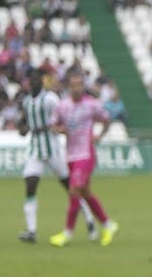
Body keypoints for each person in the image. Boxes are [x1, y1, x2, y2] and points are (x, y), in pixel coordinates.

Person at [17, 68, 96, 243]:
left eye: (39, 78)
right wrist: (23, 128)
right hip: (36, 149)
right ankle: (31, 231)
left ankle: (89, 219)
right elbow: (24, 122)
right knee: (30, 184)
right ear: (30, 81)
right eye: (33, 79)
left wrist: (63, 130)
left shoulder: (50, 99)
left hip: (53, 149)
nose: (36, 82)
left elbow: (64, 115)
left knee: (71, 188)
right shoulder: (27, 101)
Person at [47, 70, 120, 247]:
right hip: (71, 154)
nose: (76, 89)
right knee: (85, 193)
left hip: (86, 154)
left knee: (74, 191)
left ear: (83, 86)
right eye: (73, 86)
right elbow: (53, 125)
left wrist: (100, 136)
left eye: (79, 85)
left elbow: (107, 119)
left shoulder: (92, 104)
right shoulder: (62, 106)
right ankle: (108, 225)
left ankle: (67, 232)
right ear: (68, 87)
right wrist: (59, 130)